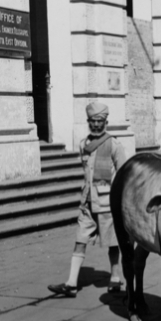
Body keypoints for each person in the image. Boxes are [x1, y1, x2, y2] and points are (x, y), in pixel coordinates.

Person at [48, 102, 127, 297]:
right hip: (87, 202)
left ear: (105, 122)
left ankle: (115, 277)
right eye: (92, 121)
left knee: (113, 242)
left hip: (107, 203)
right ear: (88, 122)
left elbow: (123, 173)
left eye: (99, 121)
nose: (96, 125)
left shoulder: (115, 145)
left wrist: (117, 198)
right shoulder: (84, 144)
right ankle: (72, 283)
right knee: (80, 240)